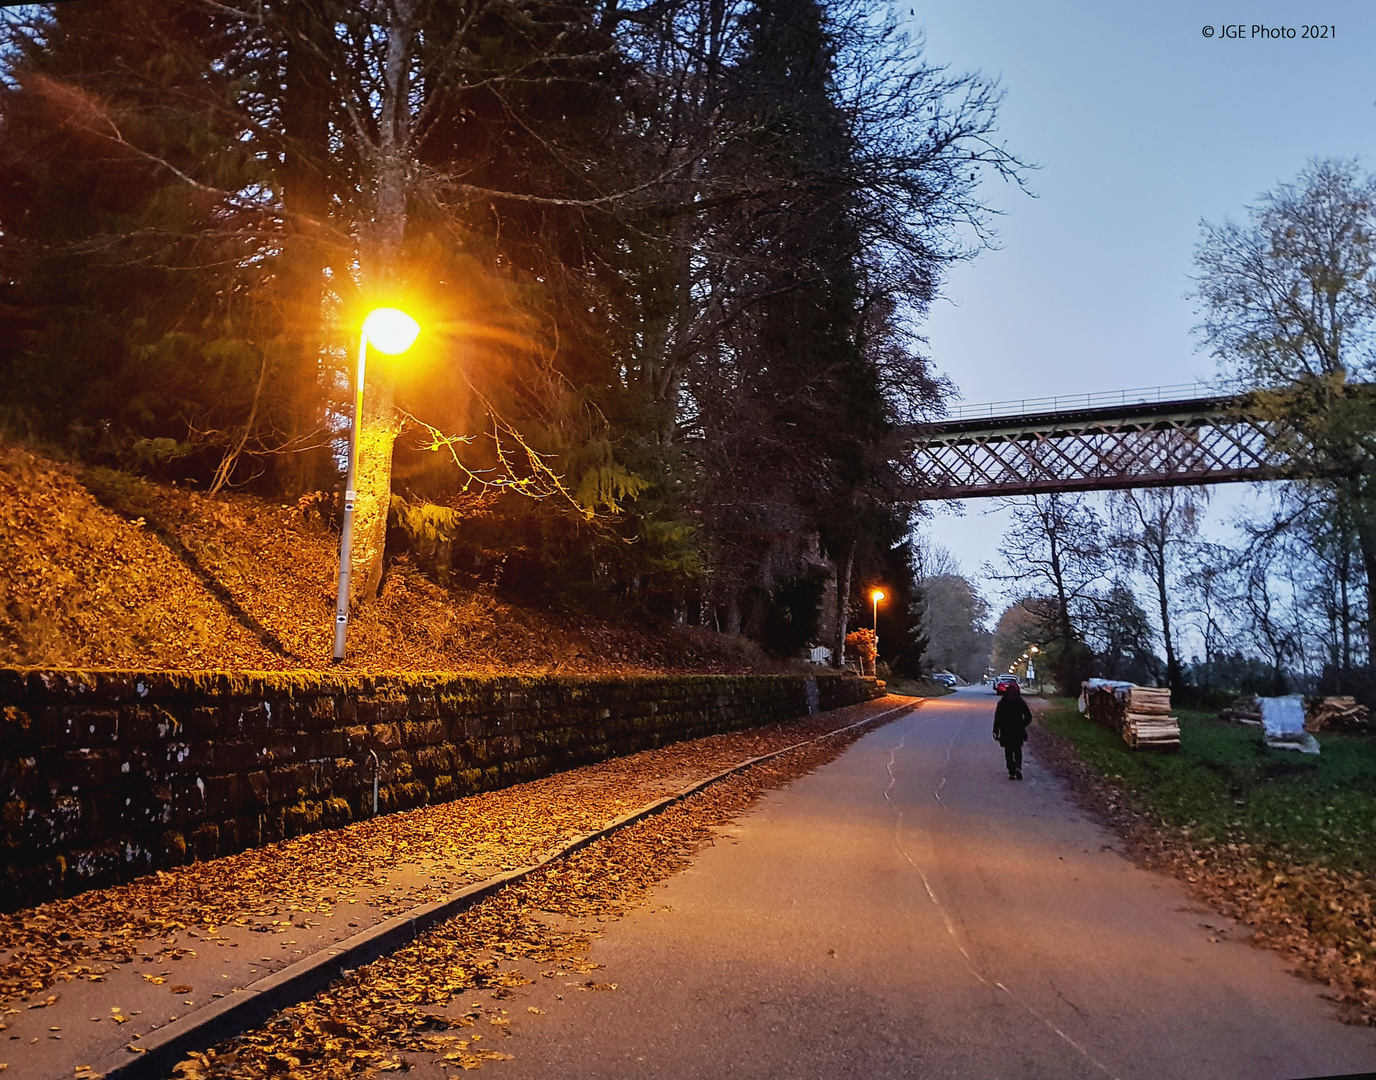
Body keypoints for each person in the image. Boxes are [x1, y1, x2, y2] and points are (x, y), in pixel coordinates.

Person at [993, 683, 1032, 780]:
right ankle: (1018, 766)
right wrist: (1023, 724)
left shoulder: (1002, 703)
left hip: (1006, 730)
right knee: (1018, 749)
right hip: (1018, 730)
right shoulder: (1021, 702)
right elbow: (1028, 716)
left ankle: (1011, 771)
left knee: (1008, 751)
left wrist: (996, 731)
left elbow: (997, 718)